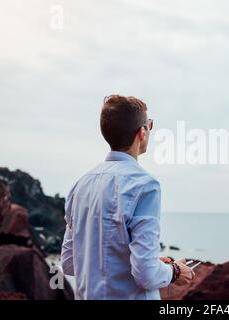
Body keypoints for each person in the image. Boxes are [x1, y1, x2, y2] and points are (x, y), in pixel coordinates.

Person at [61, 95, 194, 299]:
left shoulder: (79, 185)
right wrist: (174, 271)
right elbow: (146, 275)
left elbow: (70, 263)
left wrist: (152, 261)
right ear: (142, 132)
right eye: (150, 125)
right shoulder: (145, 185)